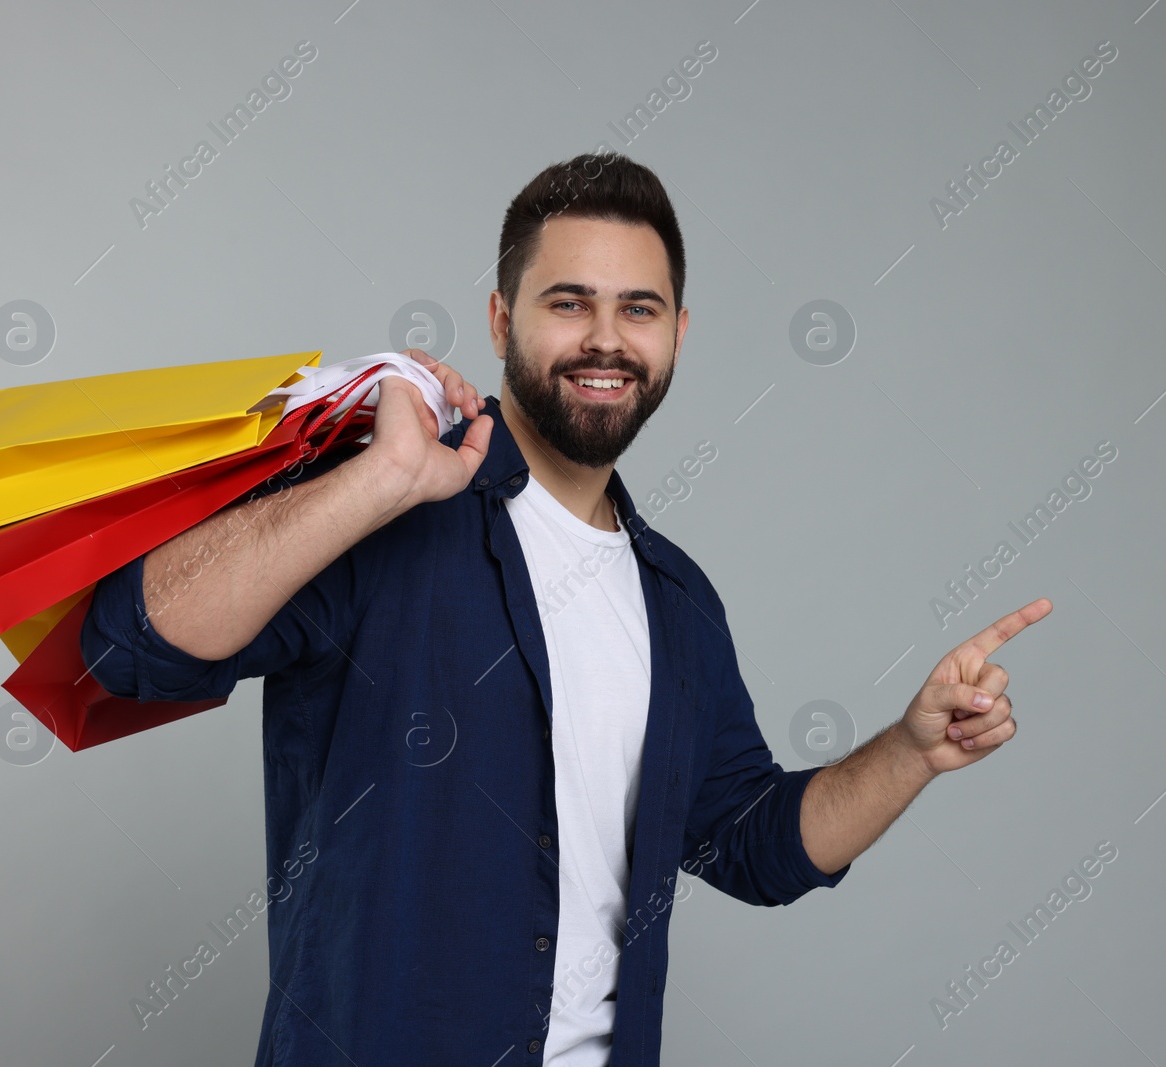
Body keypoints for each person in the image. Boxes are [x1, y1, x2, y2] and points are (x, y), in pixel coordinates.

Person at [81, 150, 1048, 1067]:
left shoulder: (678, 603)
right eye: (568, 302)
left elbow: (753, 841)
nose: (605, 339)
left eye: (639, 307)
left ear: (677, 333)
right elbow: (132, 643)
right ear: (501, 322)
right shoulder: (387, 512)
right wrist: (372, 484)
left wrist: (912, 751)